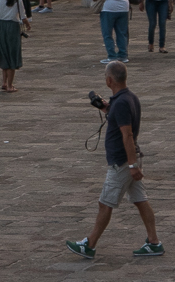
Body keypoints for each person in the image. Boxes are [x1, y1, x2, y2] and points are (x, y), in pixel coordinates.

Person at [65, 61, 162, 259]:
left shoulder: (121, 103)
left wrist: (133, 165)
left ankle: (89, 244)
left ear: (109, 80)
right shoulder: (129, 98)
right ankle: (154, 242)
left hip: (122, 162)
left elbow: (127, 135)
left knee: (105, 203)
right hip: (130, 159)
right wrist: (108, 110)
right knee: (140, 200)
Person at [0, 0, 27, 92]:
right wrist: (28, 26)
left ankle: (4, 82)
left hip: (1, 27)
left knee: (4, 53)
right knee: (12, 54)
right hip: (13, 28)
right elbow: (23, 16)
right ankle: (10, 85)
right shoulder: (18, 0)